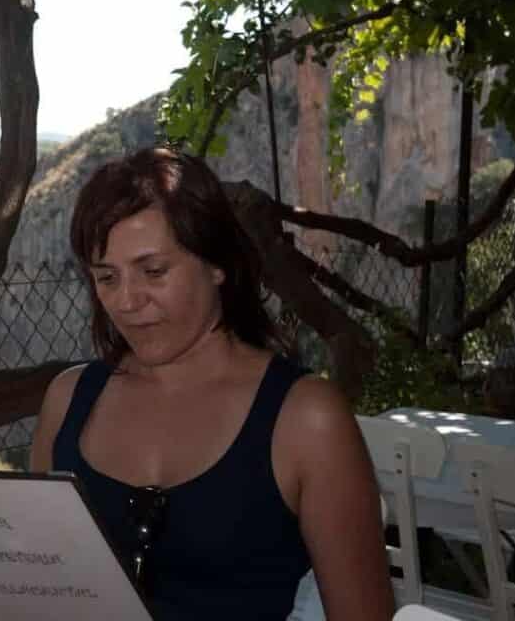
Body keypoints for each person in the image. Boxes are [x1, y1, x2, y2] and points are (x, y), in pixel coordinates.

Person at [29, 147, 394, 620]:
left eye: (153, 271)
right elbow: (31, 584)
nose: (127, 301)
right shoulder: (68, 400)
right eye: (106, 277)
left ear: (217, 264)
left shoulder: (306, 419)